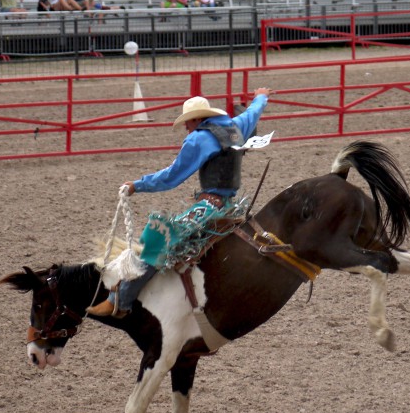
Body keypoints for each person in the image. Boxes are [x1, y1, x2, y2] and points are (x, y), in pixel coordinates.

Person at [86, 89, 274, 318]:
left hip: (209, 207)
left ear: (198, 119)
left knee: (161, 238)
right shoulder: (235, 126)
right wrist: (261, 97)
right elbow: (253, 113)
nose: (186, 127)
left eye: (188, 122)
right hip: (231, 206)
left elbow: (172, 176)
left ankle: (120, 301)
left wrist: (138, 185)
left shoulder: (199, 139)